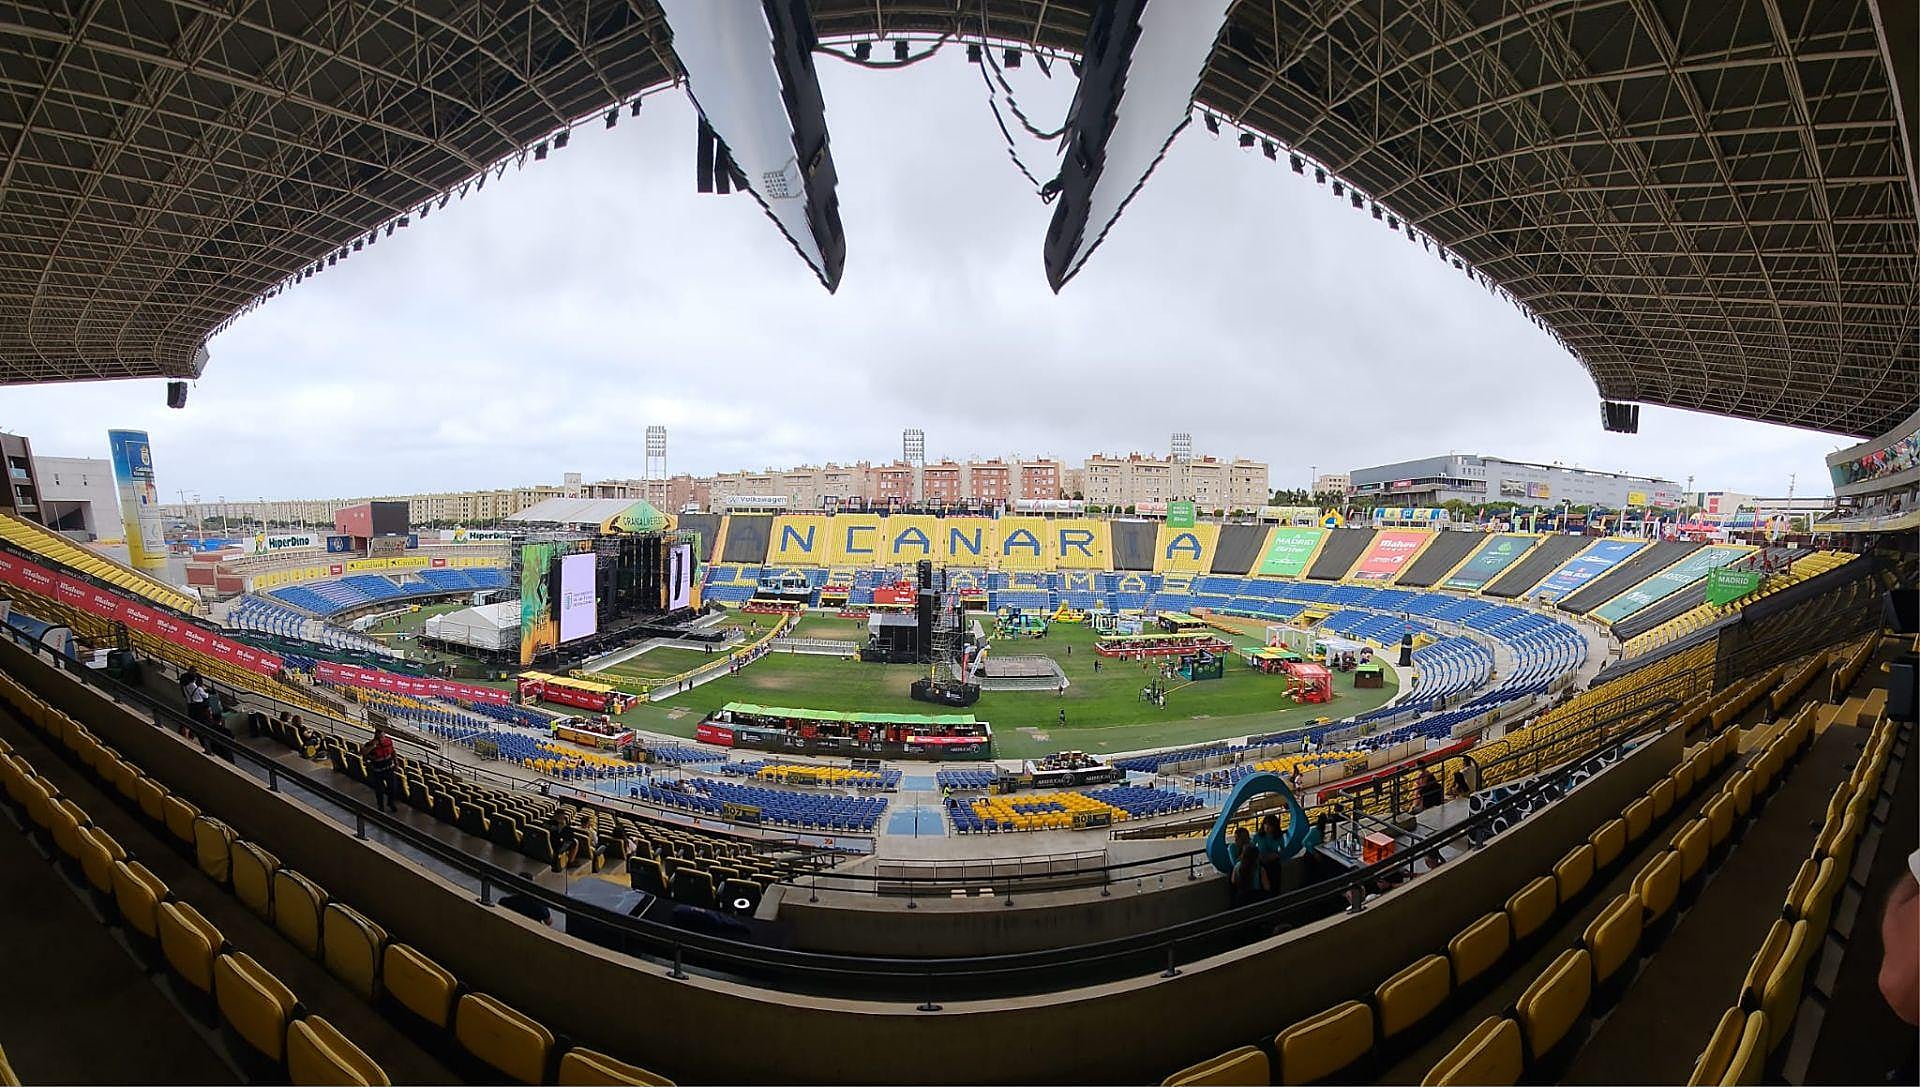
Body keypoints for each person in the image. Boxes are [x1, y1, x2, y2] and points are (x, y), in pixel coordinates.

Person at [362, 726, 399, 813]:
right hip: (377, 770)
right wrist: (373, 746)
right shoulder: (370, 743)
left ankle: (390, 802)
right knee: (379, 790)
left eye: (383, 735)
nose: (383, 737)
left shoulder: (388, 741)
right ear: (377, 735)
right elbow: (363, 753)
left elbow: (393, 751)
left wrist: (396, 762)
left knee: (393, 787)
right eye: (381, 735)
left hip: (389, 768)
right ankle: (381, 806)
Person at [1228, 827, 1264, 908]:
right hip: (1240, 874)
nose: (1235, 841)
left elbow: (1256, 859)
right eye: (1235, 839)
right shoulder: (1232, 847)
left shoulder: (1251, 846)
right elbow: (1235, 863)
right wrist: (1245, 854)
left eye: (1238, 839)